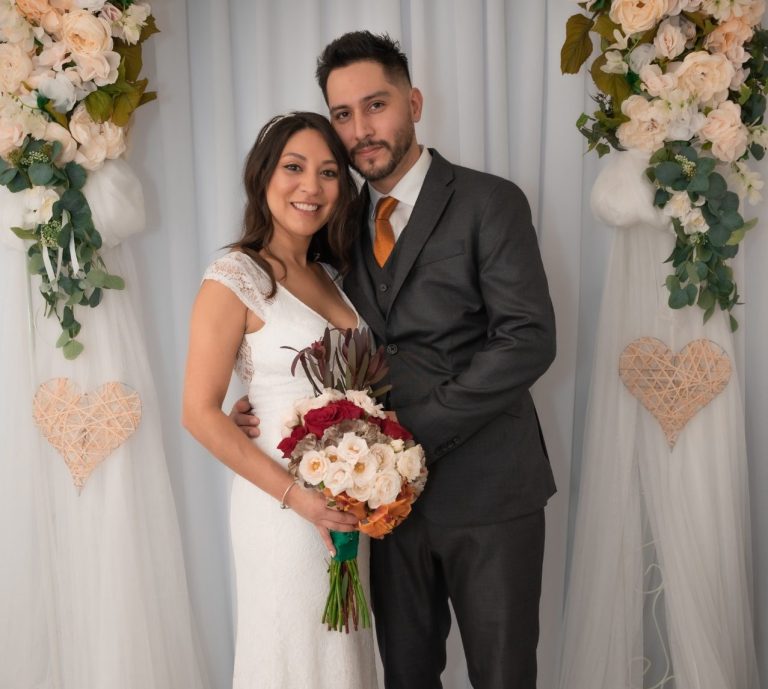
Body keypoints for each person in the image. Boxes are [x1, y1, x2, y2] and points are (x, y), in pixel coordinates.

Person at [234, 31, 556, 689]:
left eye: (375, 105)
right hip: (384, 509)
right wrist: (268, 401)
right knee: (406, 676)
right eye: (343, 115)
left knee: (503, 675)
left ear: (412, 102)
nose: (360, 129)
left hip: (491, 490)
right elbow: (317, 335)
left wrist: (412, 434)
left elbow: (527, 337)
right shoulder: (335, 224)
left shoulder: (489, 201)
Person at [182, 111, 378, 689]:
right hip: (281, 509)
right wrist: (300, 499)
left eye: (327, 173)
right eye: (294, 168)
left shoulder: (334, 277)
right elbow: (198, 412)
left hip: (346, 507)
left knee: (344, 658)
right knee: (292, 654)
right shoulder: (233, 277)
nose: (310, 187)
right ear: (263, 176)